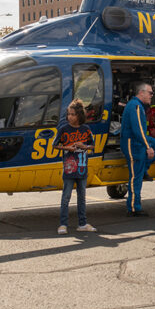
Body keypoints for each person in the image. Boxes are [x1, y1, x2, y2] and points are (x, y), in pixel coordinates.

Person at [121, 82, 155, 217]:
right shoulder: (135, 106)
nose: (152, 95)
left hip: (137, 141)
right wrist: (148, 147)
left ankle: (144, 168)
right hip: (133, 144)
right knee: (136, 177)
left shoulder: (137, 105)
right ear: (141, 93)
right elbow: (138, 130)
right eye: (150, 93)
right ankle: (134, 207)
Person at [54, 100, 96, 234]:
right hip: (69, 168)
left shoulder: (86, 129)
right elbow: (55, 145)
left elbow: (93, 146)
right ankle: (63, 224)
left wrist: (85, 147)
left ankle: (82, 224)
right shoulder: (63, 129)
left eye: (72, 114)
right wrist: (68, 148)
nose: (69, 117)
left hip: (82, 167)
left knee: (82, 197)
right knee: (66, 197)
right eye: (68, 114)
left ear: (79, 115)